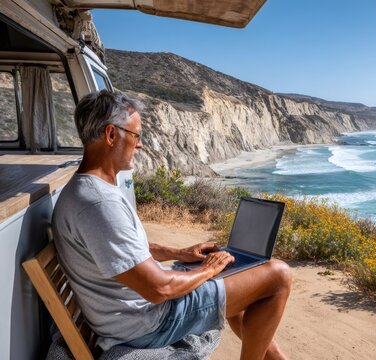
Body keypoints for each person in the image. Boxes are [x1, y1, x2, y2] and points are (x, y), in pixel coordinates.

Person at [52, 90, 291, 360]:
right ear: (111, 135)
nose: (140, 145)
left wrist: (179, 254)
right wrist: (207, 270)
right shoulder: (98, 204)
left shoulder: (88, 191)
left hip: (131, 316)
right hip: (149, 323)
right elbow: (159, 289)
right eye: (136, 135)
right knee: (278, 275)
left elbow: (122, 251)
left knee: (240, 279)